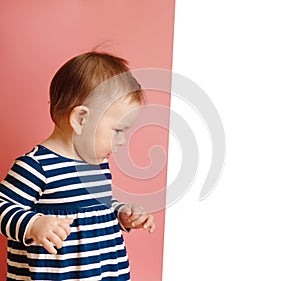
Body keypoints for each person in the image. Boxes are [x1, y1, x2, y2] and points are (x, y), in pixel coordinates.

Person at [0, 52, 156, 281]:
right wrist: (33, 224)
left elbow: (94, 206)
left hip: (103, 272)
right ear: (81, 119)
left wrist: (120, 212)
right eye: (118, 130)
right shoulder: (36, 166)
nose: (122, 141)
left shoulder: (98, 164)